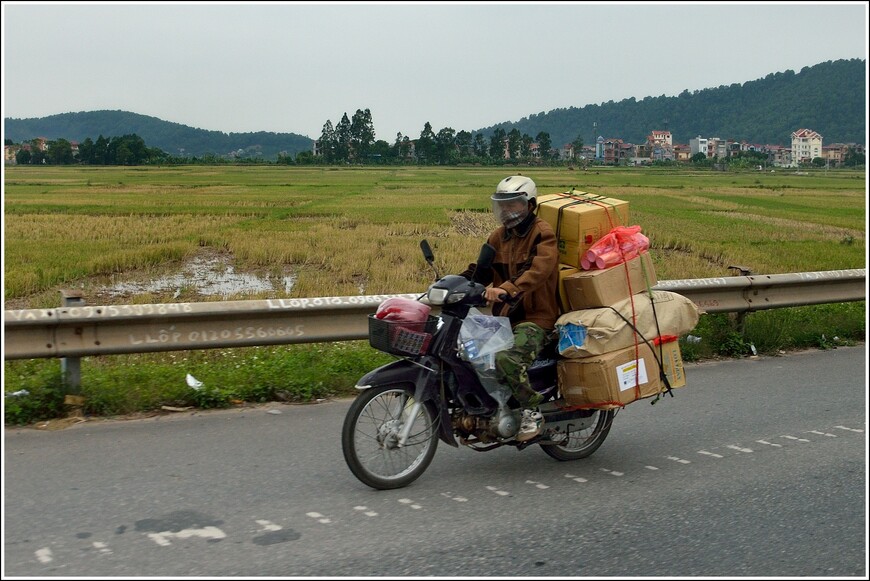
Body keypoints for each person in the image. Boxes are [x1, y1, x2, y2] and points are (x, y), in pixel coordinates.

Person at [461, 175, 560, 442]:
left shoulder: (543, 233)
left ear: (530, 204)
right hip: (505, 317)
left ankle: (531, 410)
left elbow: (537, 271)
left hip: (536, 318)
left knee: (507, 359)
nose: (507, 211)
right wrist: (454, 284)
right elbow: (479, 270)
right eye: (502, 205)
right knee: (471, 354)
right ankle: (490, 409)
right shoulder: (497, 237)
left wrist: (507, 289)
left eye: (513, 204)